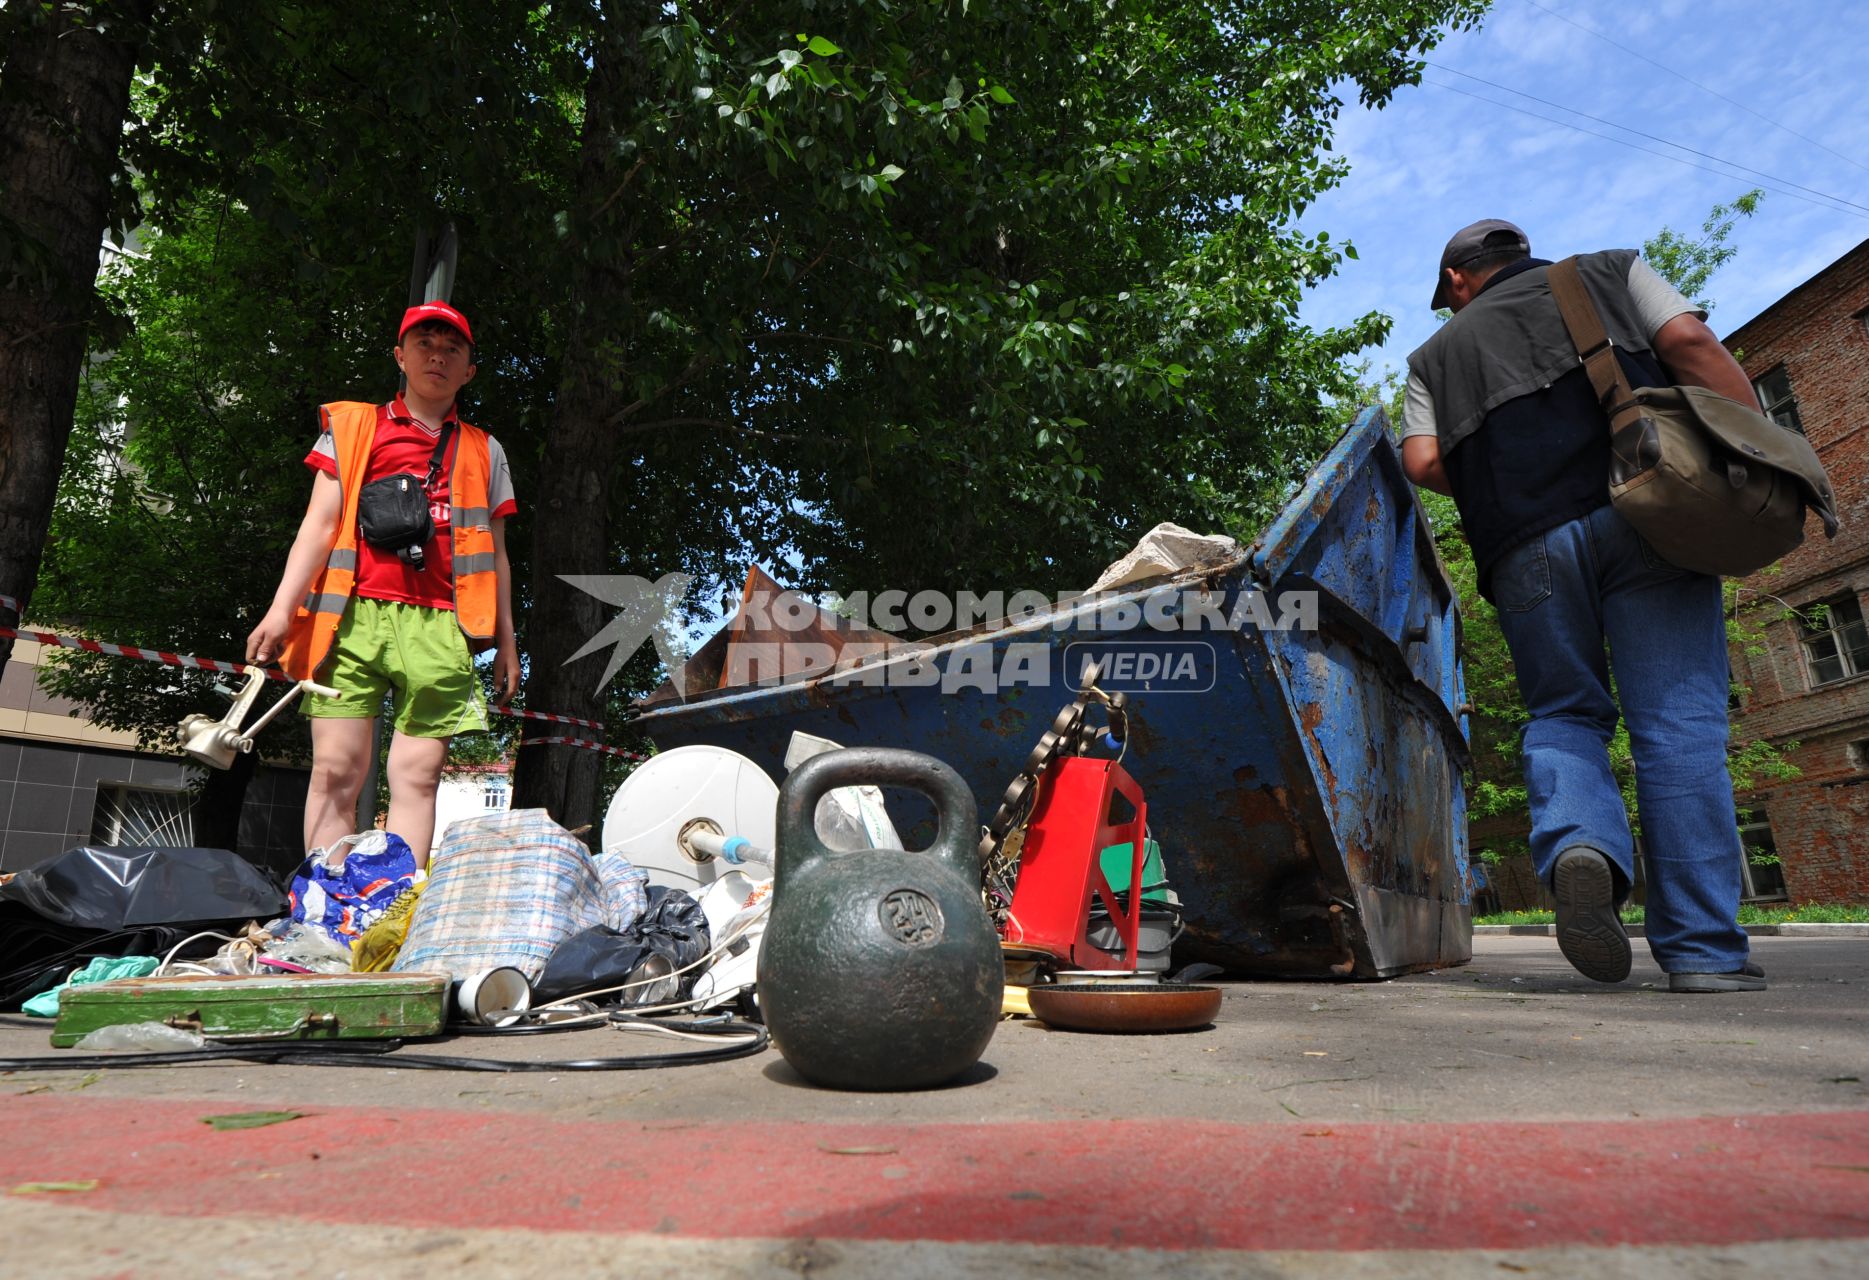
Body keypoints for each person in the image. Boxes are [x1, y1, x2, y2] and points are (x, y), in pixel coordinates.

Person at [1401, 220, 1765, 993]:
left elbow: (1422, 461)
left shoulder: (1432, 359)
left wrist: (1504, 483)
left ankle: (1580, 844)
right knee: (1676, 725)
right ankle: (1703, 955)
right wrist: (1753, 448)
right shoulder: (1611, 270)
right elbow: (1692, 345)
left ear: (1459, 281)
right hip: (1648, 512)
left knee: (1564, 713)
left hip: (1523, 544)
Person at [246, 300, 520, 867]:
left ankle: (391, 918)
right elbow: (319, 526)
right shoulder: (352, 428)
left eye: (452, 349)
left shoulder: (486, 449)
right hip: (349, 619)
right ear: (400, 356)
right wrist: (280, 611)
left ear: (469, 370)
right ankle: (326, 905)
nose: (436, 356)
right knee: (336, 771)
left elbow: (497, 553)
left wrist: (509, 641)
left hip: (443, 625)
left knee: (417, 779)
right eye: (424, 344)